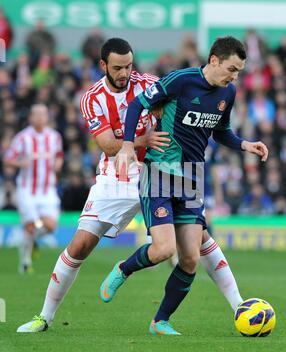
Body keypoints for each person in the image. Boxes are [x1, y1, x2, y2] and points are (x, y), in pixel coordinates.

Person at [17, 38, 243, 333]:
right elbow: (108, 146)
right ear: (103, 66)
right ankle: (44, 317)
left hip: (163, 169)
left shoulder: (148, 82)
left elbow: (180, 102)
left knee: (198, 239)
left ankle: (241, 307)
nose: (125, 73)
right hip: (118, 176)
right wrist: (141, 140)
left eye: (129, 66)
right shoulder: (92, 98)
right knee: (80, 245)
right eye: (118, 68)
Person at [100, 36, 269, 335]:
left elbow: (221, 132)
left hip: (192, 177)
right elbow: (139, 103)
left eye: (240, 71)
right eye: (232, 68)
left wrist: (245, 144)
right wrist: (127, 145)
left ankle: (160, 321)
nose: (235, 76)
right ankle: (123, 269)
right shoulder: (181, 80)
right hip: (161, 171)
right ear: (214, 60)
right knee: (164, 249)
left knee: (190, 258)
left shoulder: (227, 93)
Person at [4, 104, 64, 273]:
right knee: (32, 225)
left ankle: (31, 243)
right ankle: (25, 262)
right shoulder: (22, 138)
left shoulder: (54, 137)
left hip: (47, 189)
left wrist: (58, 164)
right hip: (27, 190)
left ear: (47, 117)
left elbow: (59, 154)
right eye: (36, 114)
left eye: (43, 114)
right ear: (30, 117)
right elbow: (8, 158)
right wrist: (20, 163)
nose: (39, 118)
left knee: (50, 226)